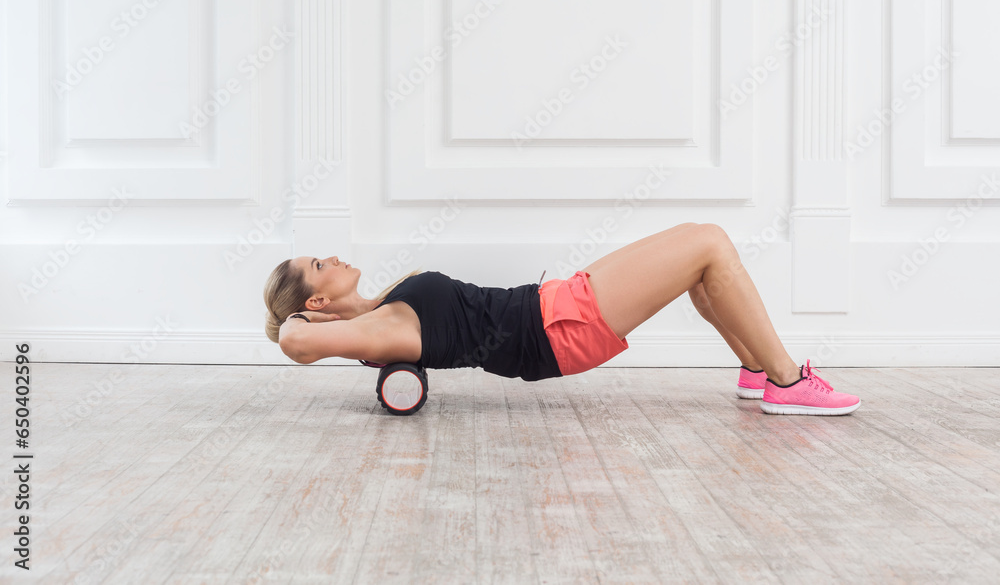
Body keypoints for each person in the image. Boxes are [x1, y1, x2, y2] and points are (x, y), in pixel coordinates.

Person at [263, 222, 860, 416]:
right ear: (315, 302)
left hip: (551, 307)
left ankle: (757, 371)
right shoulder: (372, 331)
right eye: (320, 264)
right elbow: (294, 345)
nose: (334, 256)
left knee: (703, 266)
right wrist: (293, 326)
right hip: (554, 329)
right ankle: (786, 381)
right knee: (708, 243)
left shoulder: (377, 311)